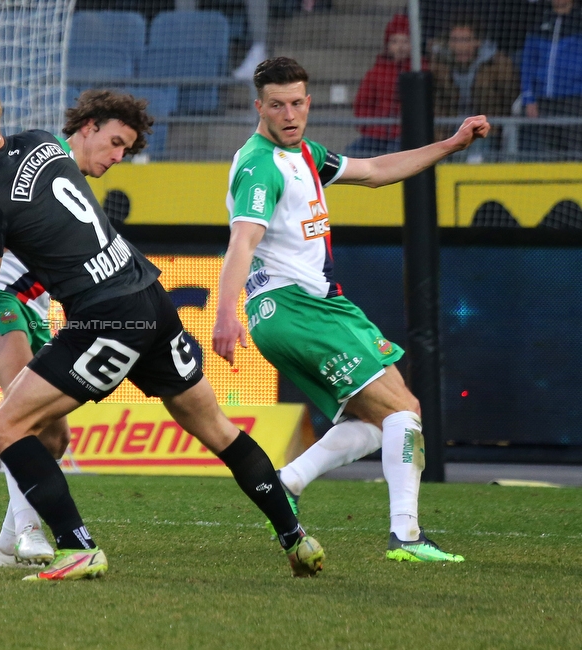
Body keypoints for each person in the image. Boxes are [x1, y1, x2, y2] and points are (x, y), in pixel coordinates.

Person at [0, 73, 325, 581]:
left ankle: (74, 546)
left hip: (106, 317)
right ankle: (295, 537)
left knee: (4, 426)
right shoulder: (42, 142)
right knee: (216, 428)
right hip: (151, 297)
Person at [213, 57, 490, 563]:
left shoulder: (305, 153)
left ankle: (287, 483)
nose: (289, 114)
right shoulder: (260, 164)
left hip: (317, 307)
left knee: (386, 418)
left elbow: (377, 171)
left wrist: (450, 146)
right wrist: (224, 313)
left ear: (309, 101)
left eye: (297, 102)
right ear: (259, 107)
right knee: (404, 412)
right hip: (296, 308)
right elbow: (242, 240)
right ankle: (405, 537)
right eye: (277, 105)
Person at [0, 89, 155, 569]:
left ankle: (6, 545)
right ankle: (32, 533)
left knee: (54, 439)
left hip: (37, 308)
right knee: (18, 417)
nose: (117, 158)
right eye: (114, 143)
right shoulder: (45, 157)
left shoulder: (65, 170)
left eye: (125, 152)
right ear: (87, 126)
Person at [431, 15, 519, 156]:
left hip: (484, 128)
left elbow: (509, 97)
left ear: (477, 42)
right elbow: (435, 101)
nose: (460, 46)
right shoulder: (438, 65)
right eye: (455, 40)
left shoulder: (498, 64)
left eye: (465, 40)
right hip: (449, 126)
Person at [346, 13, 416, 158]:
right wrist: (372, 128)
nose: (400, 47)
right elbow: (362, 104)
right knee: (351, 153)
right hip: (375, 135)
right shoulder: (375, 73)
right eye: (395, 41)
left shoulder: (419, 70)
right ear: (388, 45)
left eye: (405, 41)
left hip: (405, 136)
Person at [520, 0, 582, 153]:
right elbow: (528, 64)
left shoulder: (579, 21)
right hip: (543, 102)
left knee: (574, 151)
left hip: (574, 101)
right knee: (547, 153)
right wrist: (529, 99)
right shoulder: (539, 23)